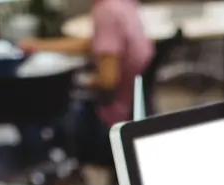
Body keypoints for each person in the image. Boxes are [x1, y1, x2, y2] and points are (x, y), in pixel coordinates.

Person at [20, 0, 154, 171]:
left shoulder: (106, 13)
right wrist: (40, 46)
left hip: (109, 119)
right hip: (135, 110)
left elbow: (107, 80)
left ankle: (45, 176)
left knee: (27, 104)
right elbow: (93, 44)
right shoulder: (123, 5)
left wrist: (79, 80)